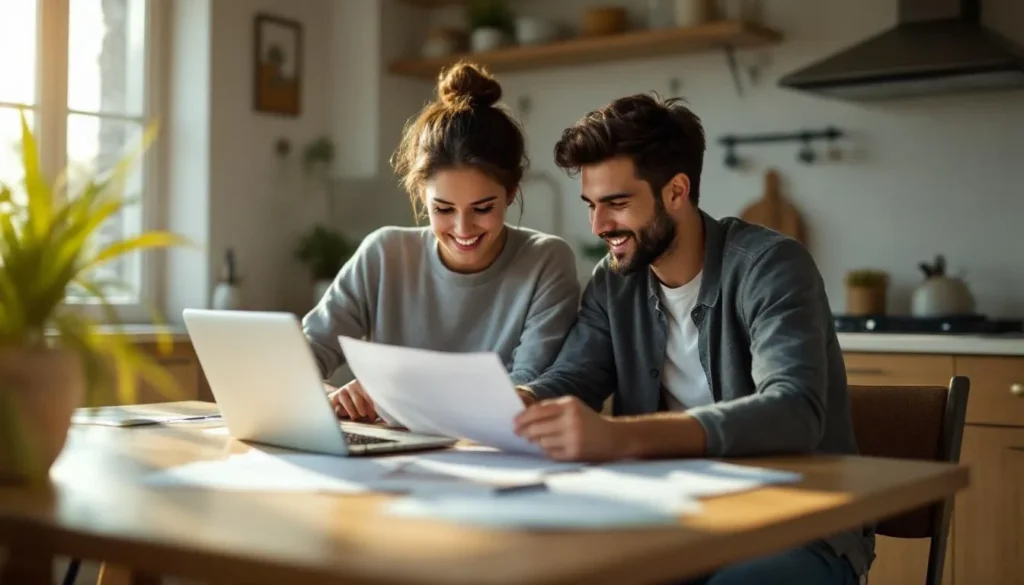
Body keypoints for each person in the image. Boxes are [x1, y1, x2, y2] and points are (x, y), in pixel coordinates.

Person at [512, 94, 872, 585]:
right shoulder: (614, 280)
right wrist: (518, 400)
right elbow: (575, 375)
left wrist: (624, 438)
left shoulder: (771, 266)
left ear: (677, 192)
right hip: (678, 521)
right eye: (592, 205)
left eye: (617, 203)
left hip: (802, 528)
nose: (599, 227)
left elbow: (794, 409)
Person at [302, 61, 580, 422]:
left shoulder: (546, 261)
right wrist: (330, 397)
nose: (463, 228)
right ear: (421, 195)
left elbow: (525, 387)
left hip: (487, 451)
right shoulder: (383, 253)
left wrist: (394, 399)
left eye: (482, 208)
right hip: (389, 453)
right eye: (443, 209)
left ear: (511, 192)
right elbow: (305, 352)